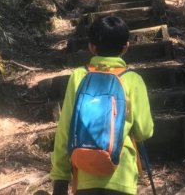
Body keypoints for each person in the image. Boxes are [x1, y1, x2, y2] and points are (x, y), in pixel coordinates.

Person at [51, 16, 154, 195]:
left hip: (85, 175)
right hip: (122, 175)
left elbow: (65, 130)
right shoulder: (133, 80)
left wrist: (60, 178)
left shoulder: (78, 76)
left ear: (91, 46)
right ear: (126, 47)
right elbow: (144, 131)